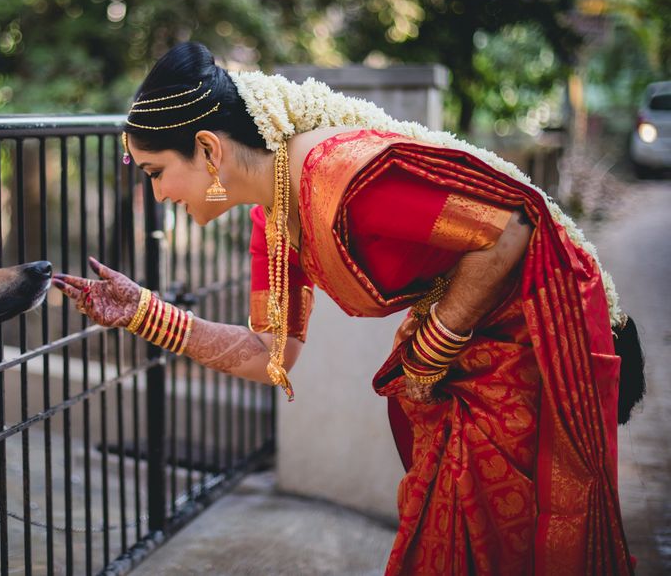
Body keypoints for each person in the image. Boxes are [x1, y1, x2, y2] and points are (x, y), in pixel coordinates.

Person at [52, 42, 643, 574]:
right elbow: (269, 355)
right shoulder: (274, 219)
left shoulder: (340, 178)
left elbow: (509, 228)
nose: (157, 194)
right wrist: (144, 313)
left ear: (207, 149)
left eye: (156, 173)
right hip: (472, 350)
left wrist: (431, 349)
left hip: (532, 334)